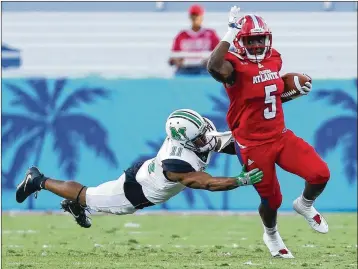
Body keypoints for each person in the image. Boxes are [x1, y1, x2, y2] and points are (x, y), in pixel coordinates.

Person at [207, 6, 330, 258]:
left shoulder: (274, 57)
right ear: (241, 41)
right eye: (251, 39)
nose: (257, 44)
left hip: (280, 136)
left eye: (260, 38)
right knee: (272, 200)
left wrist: (292, 91)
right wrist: (229, 33)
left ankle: (305, 205)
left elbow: (268, 96)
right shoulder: (232, 65)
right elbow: (212, 66)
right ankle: (271, 233)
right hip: (252, 144)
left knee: (320, 173)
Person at [16, 109, 264, 228]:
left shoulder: (197, 131)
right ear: (185, 141)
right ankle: (38, 180)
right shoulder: (176, 162)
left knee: (89, 197)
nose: (205, 139)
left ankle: (75, 204)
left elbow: (227, 141)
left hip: (146, 171)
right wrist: (239, 180)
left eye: (203, 133)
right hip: (137, 190)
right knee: (87, 195)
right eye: (199, 138)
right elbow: (206, 182)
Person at [168, 4, 220, 75]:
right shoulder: (182, 35)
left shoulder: (210, 34)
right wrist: (177, 61)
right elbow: (174, 55)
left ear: (202, 17)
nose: (195, 18)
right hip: (185, 68)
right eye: (193, 16)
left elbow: (219, 53)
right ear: (190, 17)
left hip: (204, 68)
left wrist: (210, 61)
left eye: (197, 15)